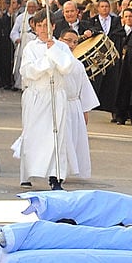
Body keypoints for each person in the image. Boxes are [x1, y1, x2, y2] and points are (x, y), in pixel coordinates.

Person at [17, 10, 75, 190]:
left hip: (56, 96)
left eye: (46, 25)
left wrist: (54, 52)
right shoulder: (31, 47)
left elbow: (67, 67)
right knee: (33, 135)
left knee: (57, 136)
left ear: (53, 26)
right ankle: (27, 172)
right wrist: (46, 63)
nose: (43, 29)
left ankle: (56, 176)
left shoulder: (61, 47)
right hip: (37, 96)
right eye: (40, 26)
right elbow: (26, 71)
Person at [56, 30, 100, 180]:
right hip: (58, 104)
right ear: (60, 40)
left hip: (73, 105)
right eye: (68, 40)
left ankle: (70, 169)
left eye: (75, 42)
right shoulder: (53, 61)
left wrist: (85, 110)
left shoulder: (78, 65)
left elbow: (84, 88)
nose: (72, 45)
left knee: (73, 139)